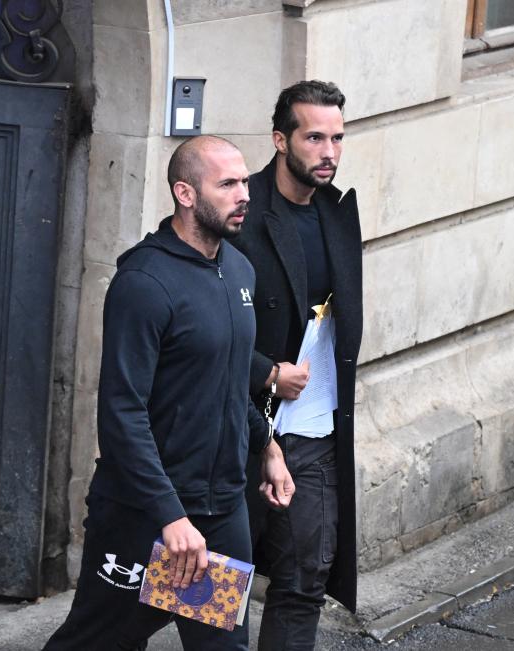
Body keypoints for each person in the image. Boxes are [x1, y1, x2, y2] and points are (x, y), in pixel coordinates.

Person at [44, 135, 295, 651]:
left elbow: (225, 383)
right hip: (145, 518)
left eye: (245, 180)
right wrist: (169, 516)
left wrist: (265, 446)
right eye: (226, 184)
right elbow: (121, 414)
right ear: (185, 193)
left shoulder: (238, 270)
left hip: (221, 514)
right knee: (97, 643)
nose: (243, 193)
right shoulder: (144, 282)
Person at [233, 80, 363, 651]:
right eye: (314, 137)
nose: (329, 151)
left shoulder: (337, 214)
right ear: (280, 140)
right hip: (233, 428)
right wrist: (266, 372)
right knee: (214, 583)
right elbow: (201, 324)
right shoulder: (238, 210)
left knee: (305, 576)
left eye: (337, 137)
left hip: (311, 428)